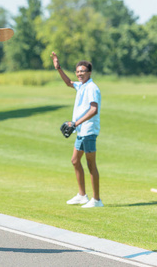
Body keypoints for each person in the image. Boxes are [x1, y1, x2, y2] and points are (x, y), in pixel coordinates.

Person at [51, 51, 103, 208]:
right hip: (81, 131)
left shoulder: (92, 88)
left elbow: (94, 109)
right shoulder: (81, 86)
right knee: (75, 161)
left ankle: (97, 200)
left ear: (89, 73)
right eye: (78, 71)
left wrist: (75, 123)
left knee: (91, 165)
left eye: (83, 71)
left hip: (88, 131)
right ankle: (82, 196)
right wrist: (58, 67)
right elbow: (68, 83)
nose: (80, 74)